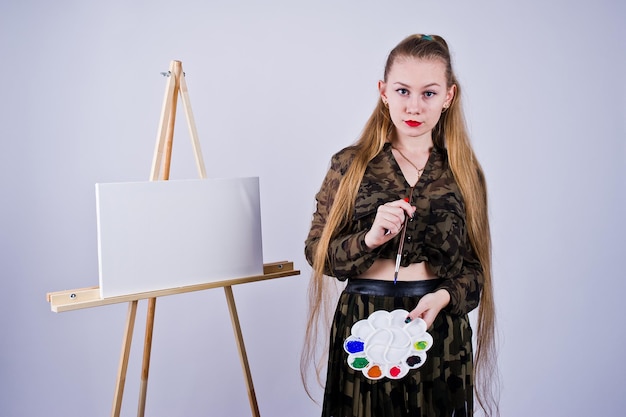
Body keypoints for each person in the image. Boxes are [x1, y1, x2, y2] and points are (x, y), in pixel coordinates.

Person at [302, 34, 498, 417]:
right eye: (403, 90)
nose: (414, 105)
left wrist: (442, 299)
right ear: (384, 91)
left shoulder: (463, 171)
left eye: (428, 93)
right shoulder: (351, 164)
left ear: (448, 97)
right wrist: (370, 239)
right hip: (364, 321)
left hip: (438, 328)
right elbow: (317, 254)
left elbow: (475, 271)